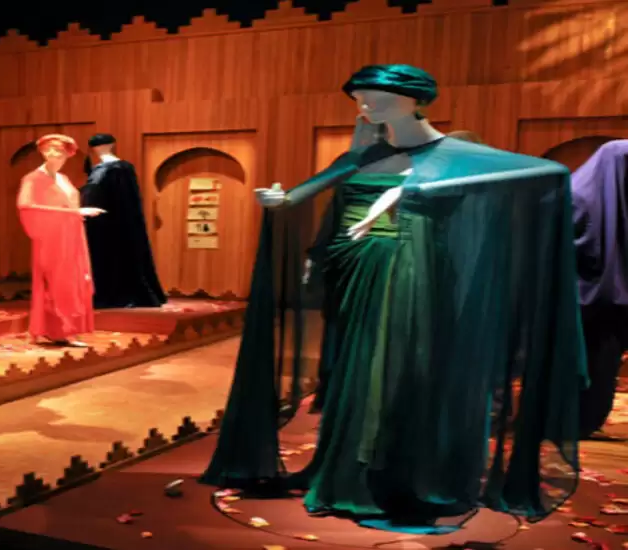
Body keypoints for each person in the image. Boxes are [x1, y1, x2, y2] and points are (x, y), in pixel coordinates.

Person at [203, 64, 585, 533]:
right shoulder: (362, 154)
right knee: (359, 366)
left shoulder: (455, 155)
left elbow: (549, 171)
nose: (366, 107)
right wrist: (277, 201)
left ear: (416, 100)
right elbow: (299, 197)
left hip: (413, 270)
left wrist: (417, 189)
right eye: (360, 99)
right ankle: (349, 470)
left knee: (402, 366)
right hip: (357, 268)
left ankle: (397, 475)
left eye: (378, 99)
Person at [571, 140, 628, 440]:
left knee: (603, 366)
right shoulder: (577, 197)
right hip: (576, 302)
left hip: (612, 306)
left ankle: (586, 420)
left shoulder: (620, 194)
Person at [18, 134, 99, 347]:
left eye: (59, 150)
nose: (54, 154)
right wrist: (73, 212)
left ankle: (67, 330)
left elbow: (69, 204)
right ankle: (57, 330)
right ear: (42, 152)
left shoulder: (63, 178)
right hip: (51, 238)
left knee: (74, 280)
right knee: (56, 281)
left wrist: (75, 214)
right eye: (49, 149)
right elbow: (25, 206)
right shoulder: (33, 178)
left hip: (72, 235)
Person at [81, 133, 166, 309]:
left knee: (117, 255)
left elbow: (127, 200)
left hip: (115, 224)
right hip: (96, 223)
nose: (98, 149)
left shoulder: (121, 168)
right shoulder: (96, 169)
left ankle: (122, 294)